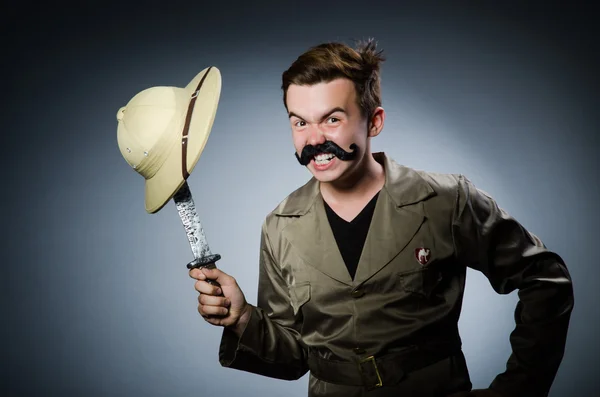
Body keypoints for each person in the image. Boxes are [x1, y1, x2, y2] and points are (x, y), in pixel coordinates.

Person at [189, 39, 574, 397]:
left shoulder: (446, 200)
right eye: (299, 122)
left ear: (374, 122)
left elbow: (545, 281)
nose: (313, 139)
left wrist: (519, 389)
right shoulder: (280, 225)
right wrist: (241, 318)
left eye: (332, 119)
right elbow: (294, 359)